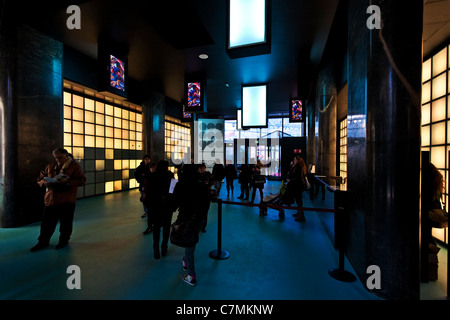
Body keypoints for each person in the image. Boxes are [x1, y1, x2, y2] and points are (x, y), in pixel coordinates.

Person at [31, 148, 86, 252]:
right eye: (56, 157)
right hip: (50, 200)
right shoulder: (51, 166)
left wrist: (68, 182)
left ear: (66, 156)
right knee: (46, 223)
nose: (58, 160)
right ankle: (43, 242)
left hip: (66, 199)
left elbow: (82, 180)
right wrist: (43, 182)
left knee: (66, 223)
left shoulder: (75, 167)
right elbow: (41, 177)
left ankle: (63, 241)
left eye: (60, 157)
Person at [172, 164, 203, 286]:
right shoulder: (199, 184)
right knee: (192, 242)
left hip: (187, 219)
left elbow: (174, 203)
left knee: (189, 245)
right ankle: (185, 261)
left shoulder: (181, 185)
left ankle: (191, 275)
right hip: (199, 219)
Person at [144, 160, 174, 259]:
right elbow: (173, 190)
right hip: (167, 206)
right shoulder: (170, 175)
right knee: (166, 227)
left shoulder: (152, 176)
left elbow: (149, 193)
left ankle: (156, 248)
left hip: (156, 206)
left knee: (156, 228)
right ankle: (164, 246)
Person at [287, 156, 307, 222]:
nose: (294, 161)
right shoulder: (298, 167)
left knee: (299, 200)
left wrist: (290, 180)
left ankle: (301, 216)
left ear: (298, 161)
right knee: (298, 200)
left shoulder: (299, 167)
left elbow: (297, 178)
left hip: (298, 186)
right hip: (298, 186)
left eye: (295, 160)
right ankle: (299, 213)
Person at [198, 163, 214, 232]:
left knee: (204, 212)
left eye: (202, 168)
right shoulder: (198, 175)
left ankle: (203, 226)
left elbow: (212, 182)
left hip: (205, 196)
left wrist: (208, 184)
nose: (201, 169)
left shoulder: (208, 174)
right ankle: (201, 226)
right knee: (201, 212)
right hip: (201, 196)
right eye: (200, 168)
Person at [142, 162, 156, 235]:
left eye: (153, 167)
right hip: (149, 197)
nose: (152, 169)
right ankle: (150, 226)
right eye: (151, 167)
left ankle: (152, 226)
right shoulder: (147, 176)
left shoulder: (156, 176)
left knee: (153, 213)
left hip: (154, 197)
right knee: (150, 213)